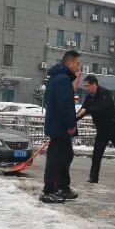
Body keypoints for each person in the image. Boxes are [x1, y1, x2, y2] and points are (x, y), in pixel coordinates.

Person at [77, 75, 115, 186]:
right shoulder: (89, 97)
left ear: (94, 84)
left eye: (87, 86)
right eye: (85, 86)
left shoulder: (105, 93)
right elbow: (83, 110)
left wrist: (88, 109)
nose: (86, 88)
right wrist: (74, 118)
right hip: (102, 130)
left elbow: (103, 107)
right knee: (97, 153)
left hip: (114, 128)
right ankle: (93, 177)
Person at [43, 50, 81, 204]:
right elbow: (65, 104)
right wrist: (71, 125)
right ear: (69, 63)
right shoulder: (63, 80)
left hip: (57, 124)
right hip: (60, 127)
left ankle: (63, 187)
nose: (79, 67)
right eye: (77, 64)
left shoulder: (55, 79)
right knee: (56, 158)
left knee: (66, 155)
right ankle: (49, 190)